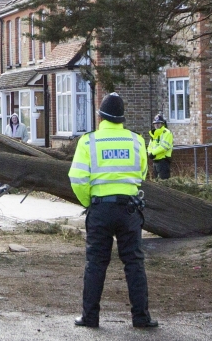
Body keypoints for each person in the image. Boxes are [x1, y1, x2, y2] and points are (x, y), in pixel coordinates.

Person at [69, 93, 157, 329]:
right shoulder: (137, 141)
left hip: (100, 209)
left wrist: (90, 202)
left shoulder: (88, 142)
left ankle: (90, 317)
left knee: (96, 263)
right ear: (121, 118)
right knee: (134, 263)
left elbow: (77, 179)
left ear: (100, 117)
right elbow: (141, 175)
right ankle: (141, 317)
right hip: (129, 210)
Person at [148, 114, 174, 180]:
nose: (156, 125)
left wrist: (153, 153)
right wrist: (149, 153)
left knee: (164, 183)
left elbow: (164, 146)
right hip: (155, 161)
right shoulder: (154, 134)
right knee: (156, 183)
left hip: (163, 161)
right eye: (155, 123)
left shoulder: (166, 132)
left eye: (158, 123)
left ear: (162, 124)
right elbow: (150, 146)